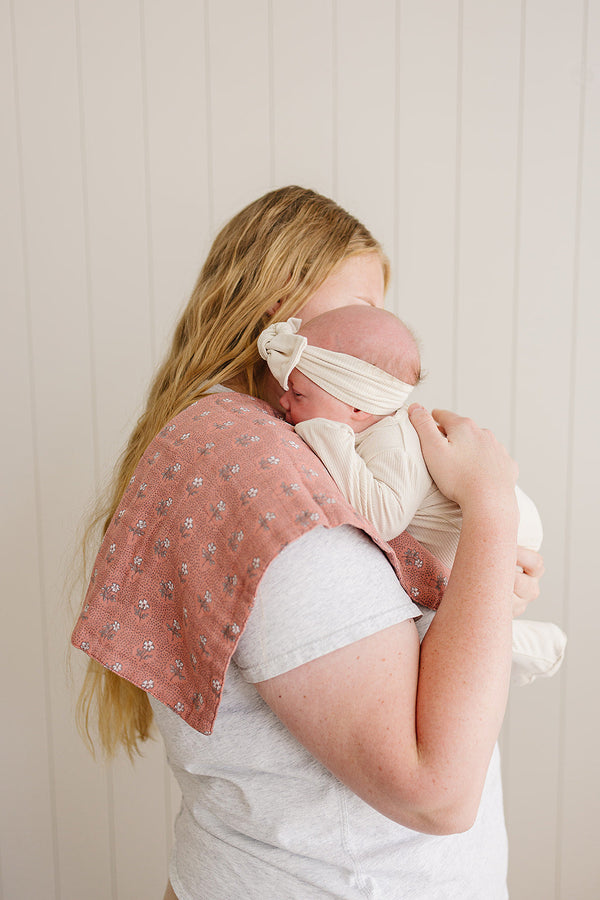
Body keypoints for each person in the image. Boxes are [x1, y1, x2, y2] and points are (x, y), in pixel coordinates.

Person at [72, 185, 543, 900]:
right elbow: (436, 792)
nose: (382, 347)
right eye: (365, 310)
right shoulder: (269, 484)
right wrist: (491, 506)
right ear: (279, 300)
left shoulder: (251, 449)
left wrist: (476, 581)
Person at [258, 306, 566, 687]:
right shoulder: (368, 431)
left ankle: (532, 645)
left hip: (499, 531)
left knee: (437, 627)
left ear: (356, 406)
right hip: (459, 535)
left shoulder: (395, 439)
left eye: (299, 393)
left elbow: (384, 518)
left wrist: (322, 432)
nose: (285, 402)